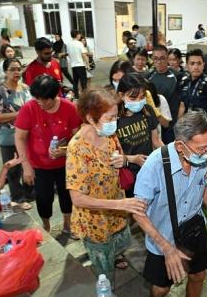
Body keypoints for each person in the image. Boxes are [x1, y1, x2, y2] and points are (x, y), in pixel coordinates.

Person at [133, 111, 207, 297]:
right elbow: (137, 212)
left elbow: (202, 186)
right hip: (163, 235)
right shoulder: (155, 165)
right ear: (180, 146)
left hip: (194, 229)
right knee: (161, 289)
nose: (206, 153)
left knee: (198, 275)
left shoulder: (199, 157)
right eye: (201, 148)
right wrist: (166, 248)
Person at [66, 88, 148, 287]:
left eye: (115, 117)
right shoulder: (77, 148)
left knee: (119, 245)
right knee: (105, 271)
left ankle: (114, 257)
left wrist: (126, 159)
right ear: (90, 117)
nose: (114, 123)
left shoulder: (108, 134)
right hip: (96, 220)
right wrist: (121, 204)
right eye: (109, 118)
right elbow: (77, 198)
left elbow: (116, 157)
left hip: (117, 212)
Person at [15, 75, 81, 235]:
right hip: (39, 165)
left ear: (55, 95)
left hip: (66, 164)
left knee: (68, 195)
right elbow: (19, 137)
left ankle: (68, 224)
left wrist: (66, 151)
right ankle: (46, 226)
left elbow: (77, 137)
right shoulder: (29, 108)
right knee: (44, 198)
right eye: (38, 99)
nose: (41, 104)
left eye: (46, 100)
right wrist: (26, 166)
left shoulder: (69, 108)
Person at [0, 58, 33, 210]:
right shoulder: (0, 91)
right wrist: (19, 115)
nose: (16, 72)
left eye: (19, 69)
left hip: (27, 135)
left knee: (28, 163)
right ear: (5, 71)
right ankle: (18, 197)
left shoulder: (26, 88)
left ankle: (29, 192)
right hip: (8, 136)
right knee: (13, 168)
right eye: (12, 69)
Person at [115, 73, 163, 198]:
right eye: (133, 98)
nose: (138, 101)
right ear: (121, 95)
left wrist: (170, 153)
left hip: (149, 171)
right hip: (128, 175)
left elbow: (156, 141)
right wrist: (133, 159)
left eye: (142, 97)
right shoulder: (114, 119)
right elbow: (111, 154)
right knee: (136, 209)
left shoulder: (148, 111)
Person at [177, 49, 207, 145]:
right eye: (192, 63)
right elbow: (182, 105)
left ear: (203, 64)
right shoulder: (184, 81)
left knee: (201, 157)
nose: (196, 67)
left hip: (203, 129)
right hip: (187, 128)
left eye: (199, 63)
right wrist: (178, 125)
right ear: (187, 65)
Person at [147, 45, 180, 144]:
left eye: (162, 58)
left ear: (167, 59)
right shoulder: (147, 77)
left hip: (172, 125)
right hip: (155, 125)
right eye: (156, 59)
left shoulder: (177, 76)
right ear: (152, 59)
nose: (159, 62)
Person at [68, 30, 89, 98]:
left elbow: (69, 55)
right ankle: (85, 97)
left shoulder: (69, 44)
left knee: (75, 82)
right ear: (77, 35)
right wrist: (87, 64)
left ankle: (76, 96)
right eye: (79, 34)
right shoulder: (79, 43)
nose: (80, 35)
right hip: (80, 65)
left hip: (73, 65)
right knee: (83, 82)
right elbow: (84, 54)